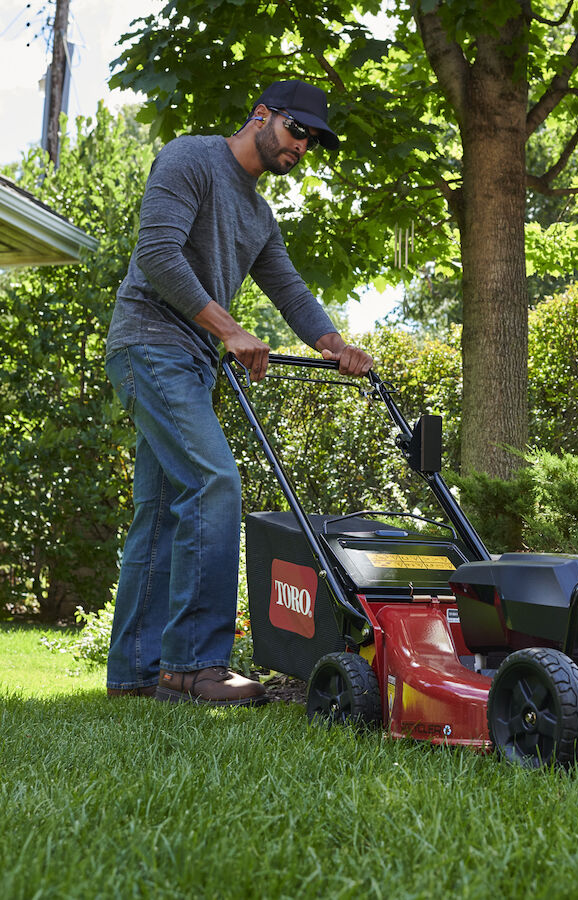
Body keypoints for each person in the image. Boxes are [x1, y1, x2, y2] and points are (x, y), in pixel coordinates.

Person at [104, 79, 373, 705]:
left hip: (191, 363)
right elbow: (156, 255)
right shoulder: (190, 158)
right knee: (215, 482)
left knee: (162, 509)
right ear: (262, 116)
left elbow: (291, 291)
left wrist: (336, 345)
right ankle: (195, 665)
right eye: (296, 130)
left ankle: (137, 673)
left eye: (313, 140)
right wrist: (229, 328)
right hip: (150, 344)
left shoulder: (258, 214)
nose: (302, 146)